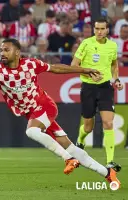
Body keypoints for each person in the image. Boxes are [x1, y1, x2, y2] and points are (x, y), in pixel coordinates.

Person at [0, 38, 120, 188]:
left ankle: (68, 159)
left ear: (18, 52)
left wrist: (84, 69)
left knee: (31, 131)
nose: (2, 53)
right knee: (71, 147)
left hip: (45, 106)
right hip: (31, 114)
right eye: (1, 50)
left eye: (7, 49)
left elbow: (57, 69)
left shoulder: (31, 64)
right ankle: (107, 173)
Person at [72, 18, 123, 172]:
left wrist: (116, 79)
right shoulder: (86, 43)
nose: (99, 32)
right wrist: (89, 74)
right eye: (97, 29)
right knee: (88, 127)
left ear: (107, 30)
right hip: (88, 88)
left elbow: (114, 64)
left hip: (105, 87)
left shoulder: (113, 45)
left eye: (102, 29)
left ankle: (110, 161)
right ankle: (80, 141)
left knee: (108, 122)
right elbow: (74, 65)